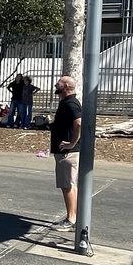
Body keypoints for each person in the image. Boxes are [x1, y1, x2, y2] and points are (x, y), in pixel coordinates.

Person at [50, 75, 82, 230]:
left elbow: (79, 123)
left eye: (60, 83)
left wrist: (72, 143)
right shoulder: (66, 102)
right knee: (69, 185)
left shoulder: (71, 103)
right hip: (65, 152)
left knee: (67, 185)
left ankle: (71, 220)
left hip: (67, 153)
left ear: (67, 86)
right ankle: (73, 217)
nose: (56, 84)